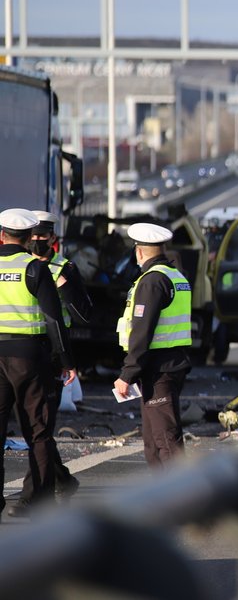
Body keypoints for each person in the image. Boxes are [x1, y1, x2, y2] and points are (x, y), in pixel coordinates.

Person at [10, 211, 92, 512]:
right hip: (23, 352)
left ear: (53, 238)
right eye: (33, 236)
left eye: (43, 236)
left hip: (53, 355)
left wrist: (65, 288)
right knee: (31, 426)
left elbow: (85, 313)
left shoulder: (64, 268)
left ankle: (31, 497)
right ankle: (62, 479)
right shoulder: (18, 266)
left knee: (39, 427)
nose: (37, 241)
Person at [113, 223, 192, 468]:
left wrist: (127, 374)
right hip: (168, 364)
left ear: (138, 252)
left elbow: (142, 331)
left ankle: (185, 498)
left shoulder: (152, 281)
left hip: (158, 368)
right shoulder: (176, 276)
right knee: (154, 443)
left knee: (165, 441)